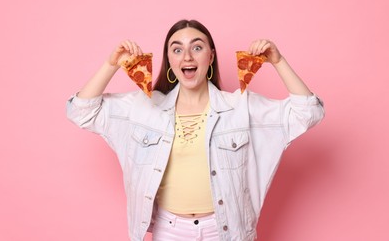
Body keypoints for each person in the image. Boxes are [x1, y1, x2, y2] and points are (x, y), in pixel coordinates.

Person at [66, 19, 324, 241]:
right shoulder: (144, 107)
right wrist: (112, 64)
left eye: (197, 48)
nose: (187, 57)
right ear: (169, 59)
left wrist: (278, 61)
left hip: (224, 231)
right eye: (177, 50)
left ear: (210, 56)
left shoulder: (240, 108)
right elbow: (82, 111)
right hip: (169, 231)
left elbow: (308, 112)